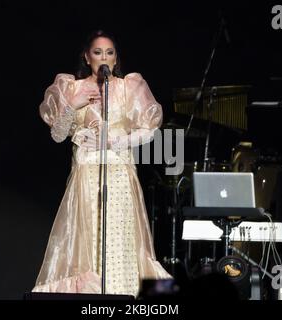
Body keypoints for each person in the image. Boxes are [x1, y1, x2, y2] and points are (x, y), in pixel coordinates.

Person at [32, 30, 172, 297]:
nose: (104, 57)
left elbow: (150, 129)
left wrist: (114, 141)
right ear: (87, 56)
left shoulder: (128, 86)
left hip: (119, 175)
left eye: (109, 52)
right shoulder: (72, 88)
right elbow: (58, 135)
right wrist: (73, 105)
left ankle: (124, 297)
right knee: (90, 243)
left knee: (120, 245)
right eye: (98, 52)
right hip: (86, 177)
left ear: (116, 58)